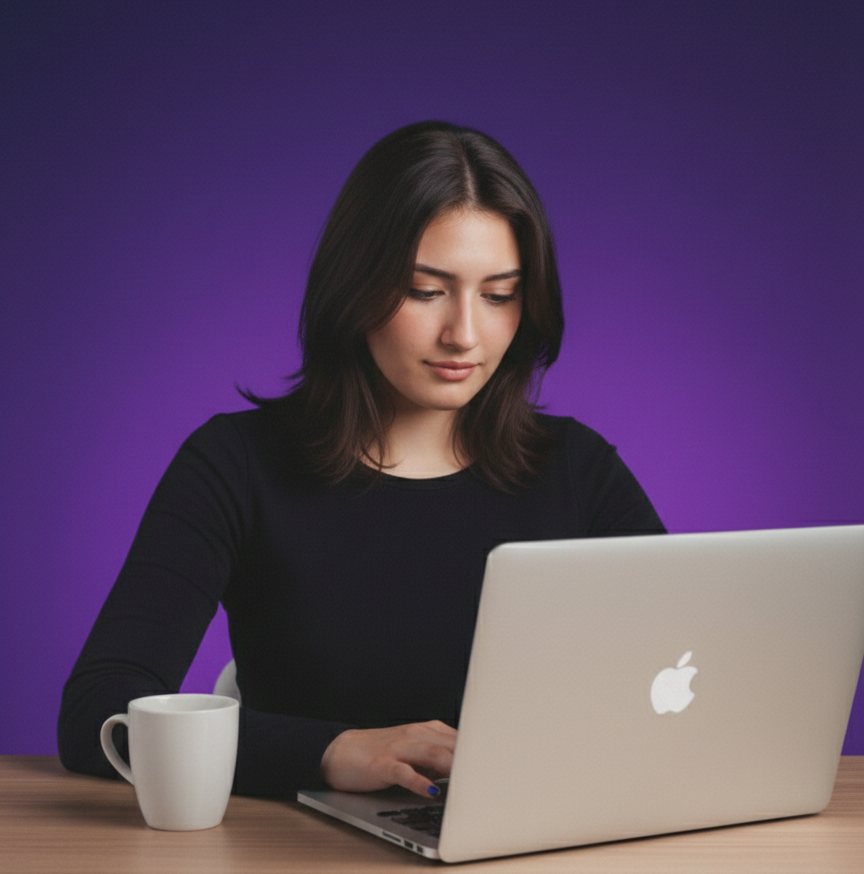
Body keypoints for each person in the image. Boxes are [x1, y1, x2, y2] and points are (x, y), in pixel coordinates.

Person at [58, 121, 665, 802]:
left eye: (499, 295)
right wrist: (328, 752)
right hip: (298, 846)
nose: (464, 333)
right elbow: (98, 716)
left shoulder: (577, 469)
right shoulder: (234, 465)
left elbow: (691, 678)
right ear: (356, 287)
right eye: (425, 289)